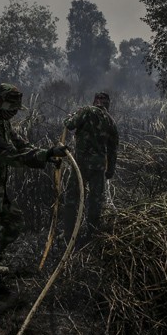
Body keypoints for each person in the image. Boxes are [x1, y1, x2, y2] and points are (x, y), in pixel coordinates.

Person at [0, 83, 68, 313]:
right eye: (12, 108)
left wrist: (49, 154)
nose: (14, 112)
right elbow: (12, 156)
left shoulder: (3, 125)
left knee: (14, 223)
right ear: (0, 106)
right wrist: (44, 155)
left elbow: (22, 145)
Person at [62, 91, 119, 247]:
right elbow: (113, 150)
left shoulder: (86, 111)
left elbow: (69, 124)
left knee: (72, 198)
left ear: (95, 101)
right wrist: (110, 170)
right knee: (95, 202)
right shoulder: (111, 122)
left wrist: (70, 115)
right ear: (108, 104)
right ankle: (91, 236)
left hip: (80, 165)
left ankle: (68, 235)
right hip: (98, 168)